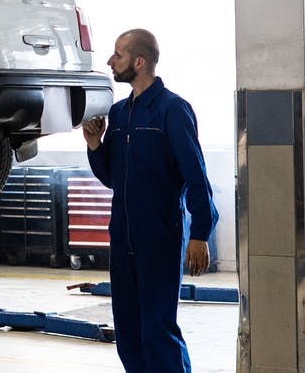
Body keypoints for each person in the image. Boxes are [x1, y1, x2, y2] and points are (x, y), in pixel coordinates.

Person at [82, 28, 218, 373]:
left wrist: (200, 232)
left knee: (157, 328)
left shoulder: (172, 110)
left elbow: (196, 174)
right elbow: (112, 178)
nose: (111, 61)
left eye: (118, 55)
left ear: (138, 62)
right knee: (128, 330)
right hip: (123, 235)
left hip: (159, 236)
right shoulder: (119, 113)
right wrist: (96, 145)